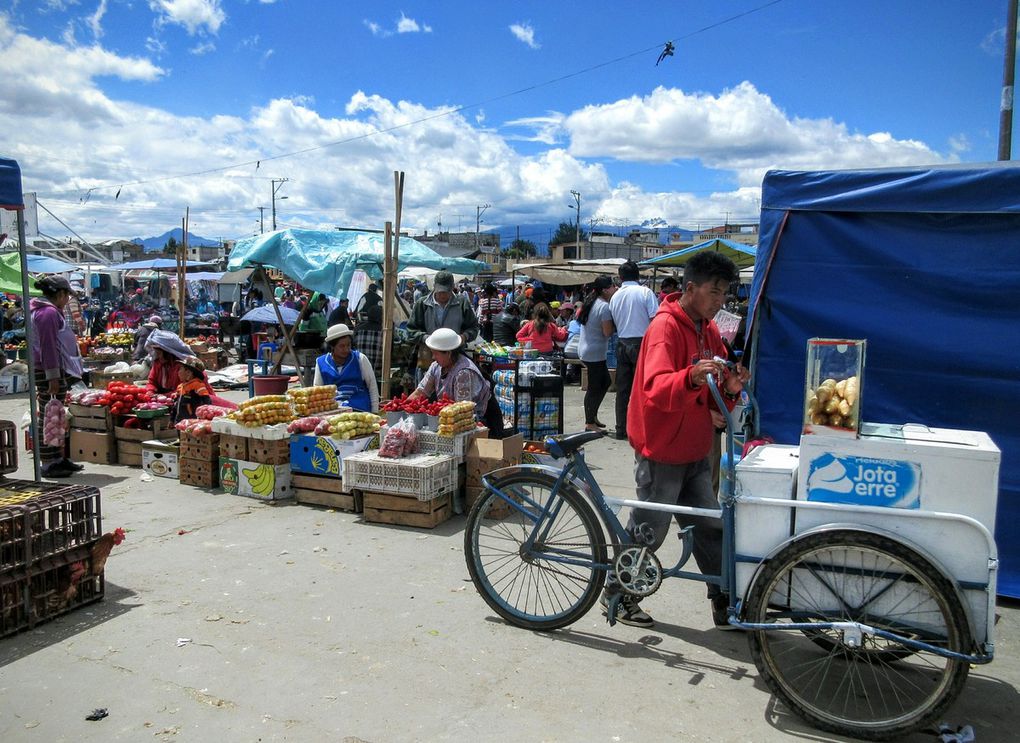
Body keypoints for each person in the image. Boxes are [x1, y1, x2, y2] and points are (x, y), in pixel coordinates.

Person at [611, 251, 748, 630]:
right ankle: (619, 594)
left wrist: (732, 387)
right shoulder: (665, 328)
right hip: (662, 448)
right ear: (690, 289)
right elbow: (655, 388)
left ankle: (724, 601)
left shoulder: (709, 329)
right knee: (649, 527)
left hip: (695, 447)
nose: (721, 301)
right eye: (715, 292)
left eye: (725, 294)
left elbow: (716, 387)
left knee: (710, 525)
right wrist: (689, 377)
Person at [409, 328, 503, 435]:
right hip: (456, 420)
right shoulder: (436, 366)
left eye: (436, 353)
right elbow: (420, 392)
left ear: (448, 353)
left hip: (483, 422)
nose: (433, 357)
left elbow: (461, 410)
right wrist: (403, 409)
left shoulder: (464, 372)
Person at [30, 276, 80, 477]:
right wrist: (53, 376)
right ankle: (48, 463)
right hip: (48, 370)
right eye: (67, 295)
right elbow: (47, 346)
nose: (68, 299)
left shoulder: (50, 311)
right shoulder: (47, 313)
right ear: (60, 294)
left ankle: (58, 458)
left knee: (57, 414)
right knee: (48, 414)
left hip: (54, 369)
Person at [608, 261, 658, 441]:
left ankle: (621, 429)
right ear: (638, 276)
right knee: (645, 389)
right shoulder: (645, 293)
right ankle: (643, 428)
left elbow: (613, 321)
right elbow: (655, 321)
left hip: (622, 344)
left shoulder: (615, 297)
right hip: (642, 344)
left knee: (623, 390)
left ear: (620, 277)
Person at [578, 276, 616, 432]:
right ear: (605, 289)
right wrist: (618, 325)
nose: (615, 289)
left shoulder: (591, 302)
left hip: (589, 350)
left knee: (605, 382)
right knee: (595, 387)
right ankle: (589, 423)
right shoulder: (604, 307)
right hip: (594, 352)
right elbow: (607, 332)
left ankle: (592, 416)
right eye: (613, 286)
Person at [313, 324, 379, 413]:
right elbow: (317, 391)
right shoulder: (321, 362)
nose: (347, 349)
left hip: (359, 410)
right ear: (332, 346)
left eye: (348, 345)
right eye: (342, 346)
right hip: (333, 411)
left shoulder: (360, 359)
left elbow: (372, 386)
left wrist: (375, 411)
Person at [406, 270, 479, 345]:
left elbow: (474, 327)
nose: (443, 295)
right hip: (428, 351)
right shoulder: (422, 304)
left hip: (455, 351)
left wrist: (464, 337)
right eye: (440, 291)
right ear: (434, 287)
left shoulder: (462, 303)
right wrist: (426, 338)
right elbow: (411, 330)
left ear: (452, 287)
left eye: (446, 291)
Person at [172, 357, 212, 421]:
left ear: (189, 373)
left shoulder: (198, 385)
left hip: (193, 421)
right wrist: (172, 419)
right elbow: (176, 405)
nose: (178, 372)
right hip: (180, 421)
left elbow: (207, 401)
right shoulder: (180, 387)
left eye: (180, 369)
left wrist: (204, 418)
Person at [352, 303, 383, 377]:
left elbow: (352, 348)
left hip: (359, 368)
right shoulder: (384, 331)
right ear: (380, 317)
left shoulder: (358, 329)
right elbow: (390, 352)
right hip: (378, 371)